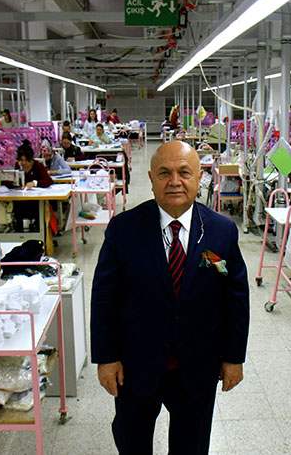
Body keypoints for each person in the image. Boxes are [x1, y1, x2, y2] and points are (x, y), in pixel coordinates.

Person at [91, 140, 250, 454]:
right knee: (132, 443)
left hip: (197, 366)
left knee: (191, 446)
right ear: (151, 179)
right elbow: (104, 298)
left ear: (199, 178)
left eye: (184, 173)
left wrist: (234, 358)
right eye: (164, 173)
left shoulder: (221, 232)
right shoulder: (123, 230)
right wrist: (106, 358)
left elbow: (236, 299)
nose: (174, 181)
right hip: (135, 366)